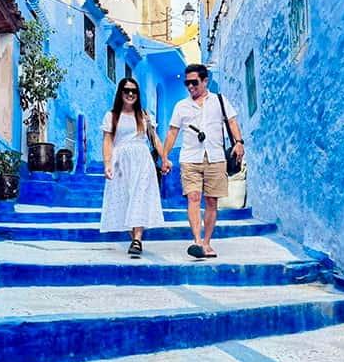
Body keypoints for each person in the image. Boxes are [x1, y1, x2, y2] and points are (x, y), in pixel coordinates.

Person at [162, 64, 244, 258]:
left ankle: (207, 242)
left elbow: (232, 122)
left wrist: (239, 142)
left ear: (205, 81)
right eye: (187, 83)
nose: (190, 87)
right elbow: (173, 131)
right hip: (190, 158)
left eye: (194, 82)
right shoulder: (181, 106)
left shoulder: (220, 101)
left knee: (211, 201)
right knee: (193, 197)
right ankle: (197, 241)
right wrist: (164, 156)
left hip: (215, 157)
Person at [100, 77, 165, 255]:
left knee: (139, 197)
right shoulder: (111, 116)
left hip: (142, 160)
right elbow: (107, 141)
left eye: (134, 91)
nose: (130, 94)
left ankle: (137, 239)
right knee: (127, 199)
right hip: (120, 162)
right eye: (127, 90)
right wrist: (107, 164)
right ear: (120, 93)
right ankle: (133, 238)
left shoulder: (144, 115)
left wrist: (165, 158)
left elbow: (155, 139)